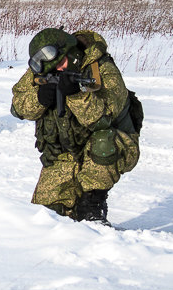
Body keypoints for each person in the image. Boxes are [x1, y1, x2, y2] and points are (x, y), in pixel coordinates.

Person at [10, 27, 141, 224]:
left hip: (111, 147)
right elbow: (17, 107)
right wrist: (39, 98)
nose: (59, 69)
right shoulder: (45, 66)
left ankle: (93, 207)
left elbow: (103, 119)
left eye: (61, 63)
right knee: (43, 220)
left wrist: (76, 95)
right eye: (53, 68)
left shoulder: (102, 69)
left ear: (72, 53)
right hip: (64, 155)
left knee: (103, 141)